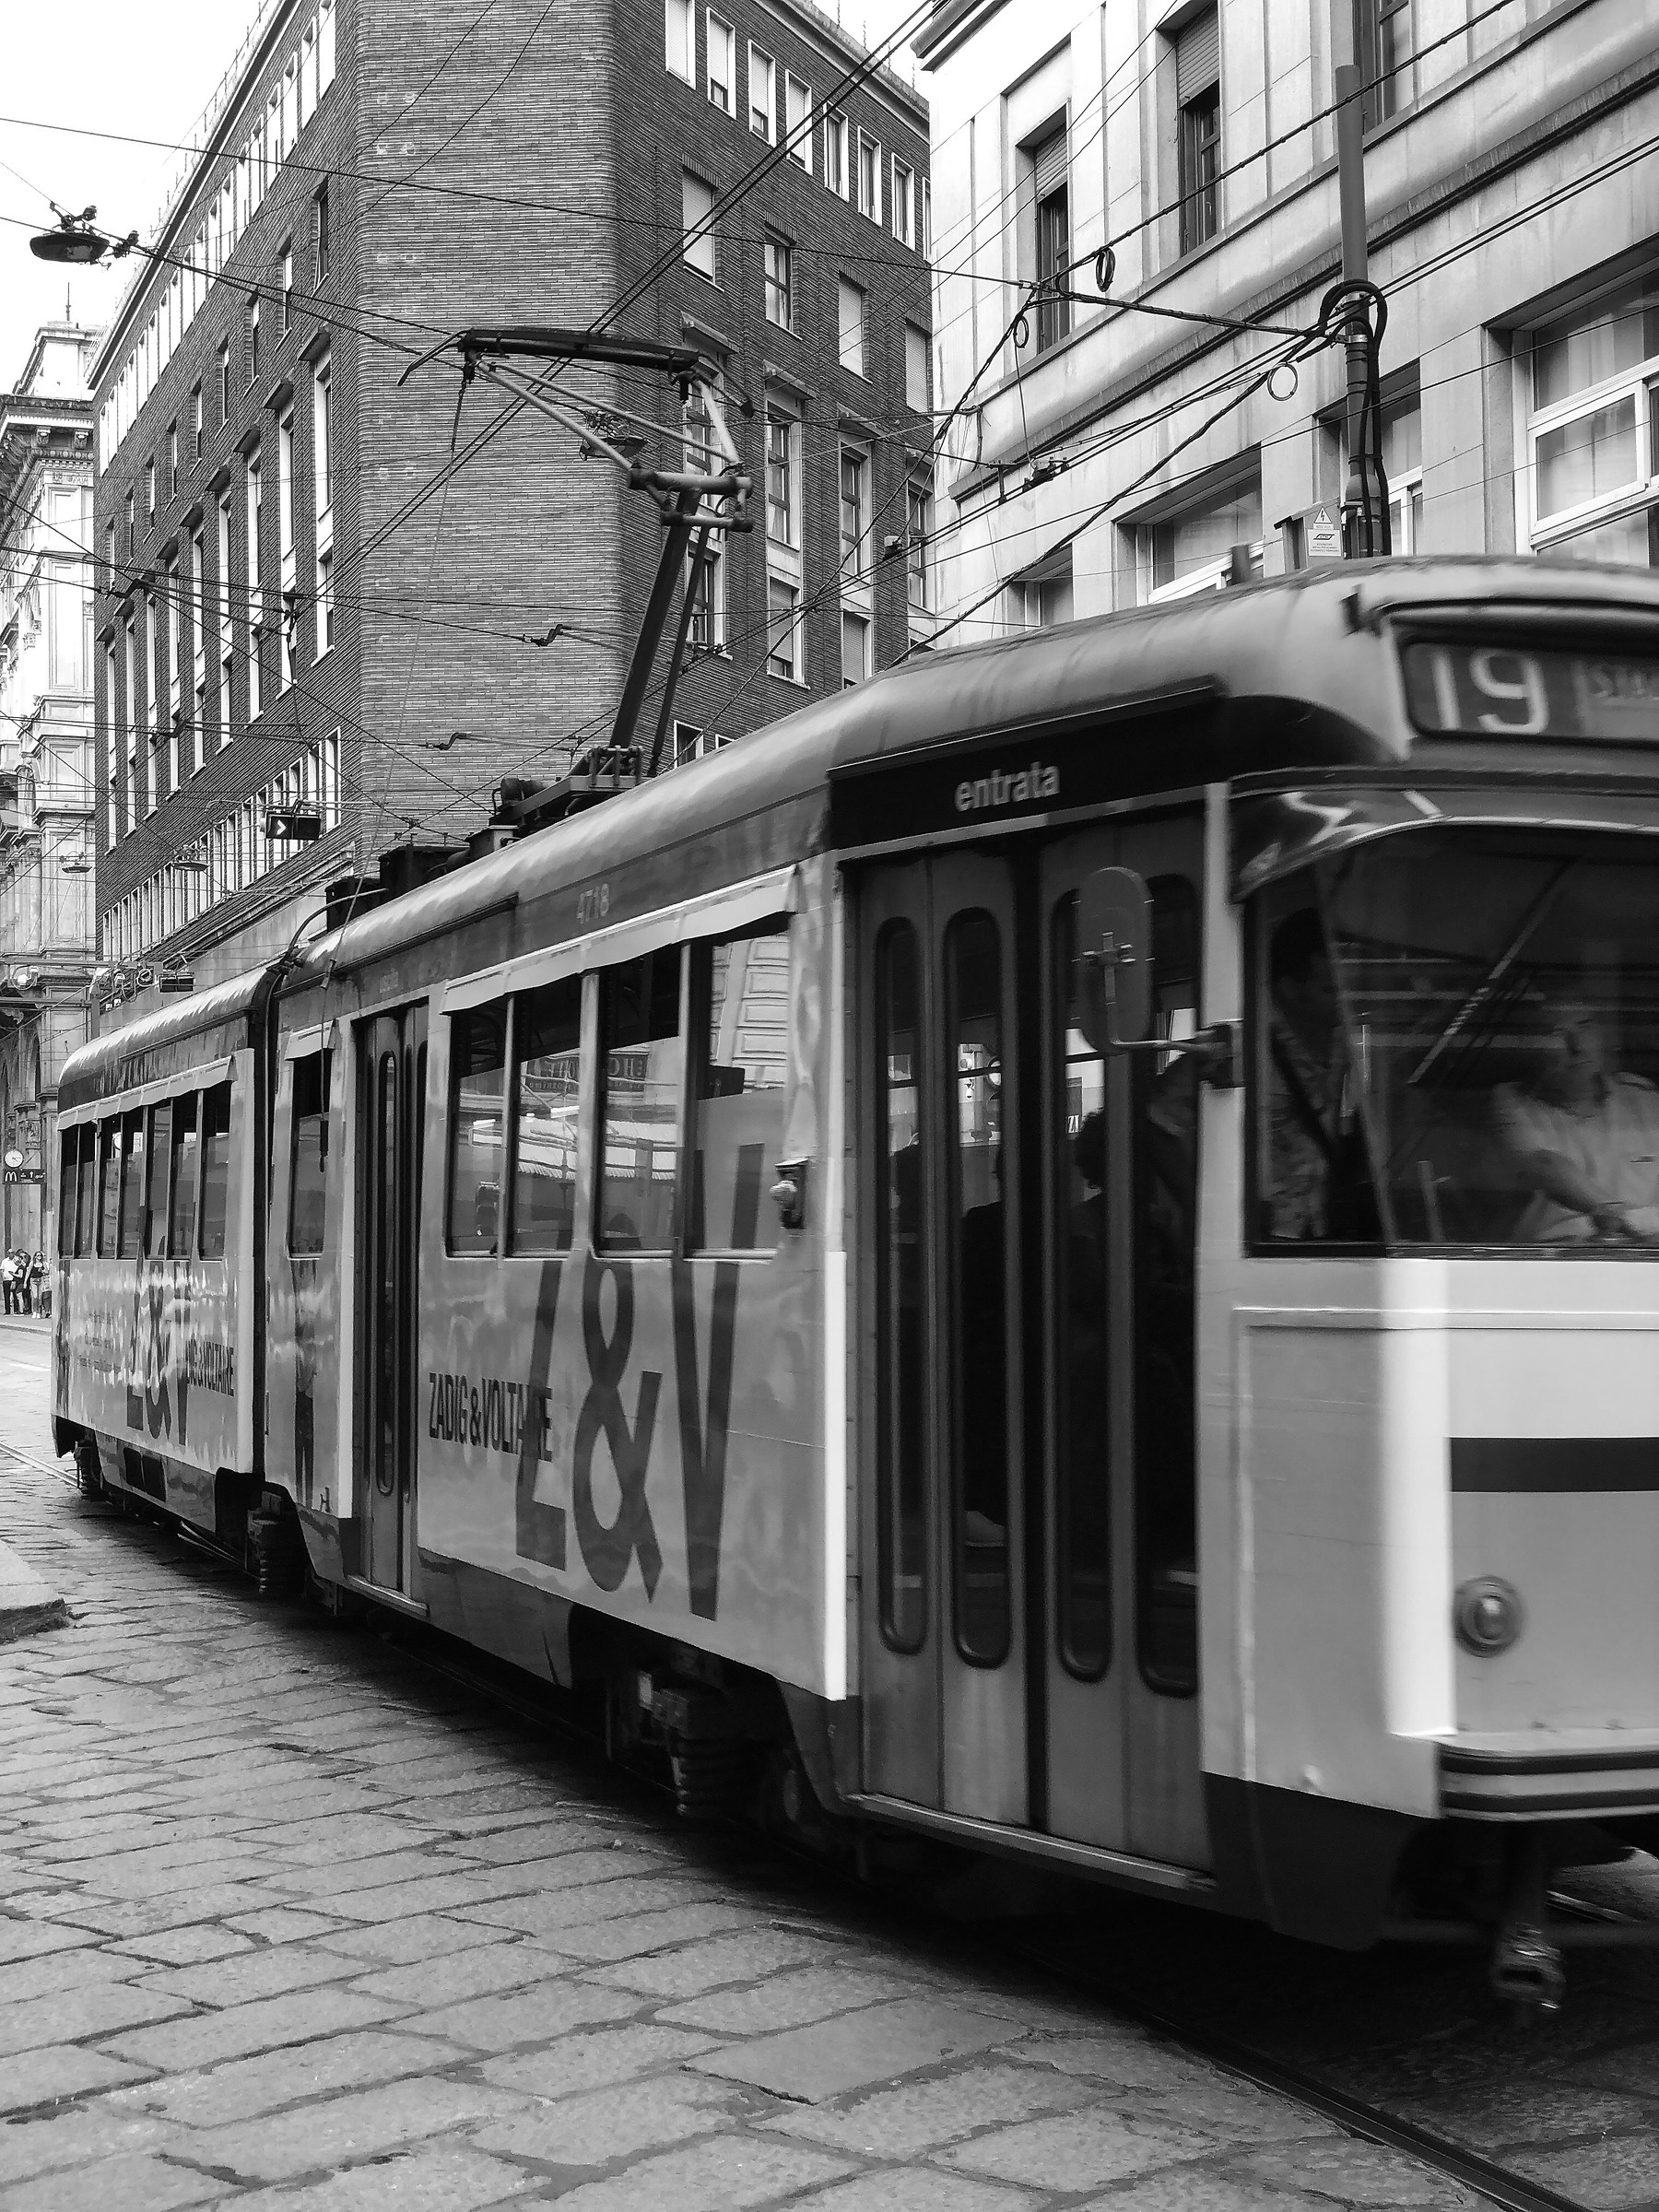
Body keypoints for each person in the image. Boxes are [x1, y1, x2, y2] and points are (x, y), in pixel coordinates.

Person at [1494, 996, 1659, 1243]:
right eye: (1557, 1032)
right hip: (1557, 1260)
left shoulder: (1644, 1101)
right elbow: (1545, 1165)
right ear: (1529, 1045)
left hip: (1646, 1254)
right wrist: (1617, 1215)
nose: (1577, 1046)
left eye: (1584, 1025)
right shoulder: (1512, 1101)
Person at [1263, 908, 1377, 1241]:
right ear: (1289, 990)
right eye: (1330, 990)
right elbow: (1159, 1120)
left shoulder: (1345, 1044)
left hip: (1324, 1231)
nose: (1344, 1001)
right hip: (1271, 1239)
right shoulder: (1252, 1049)